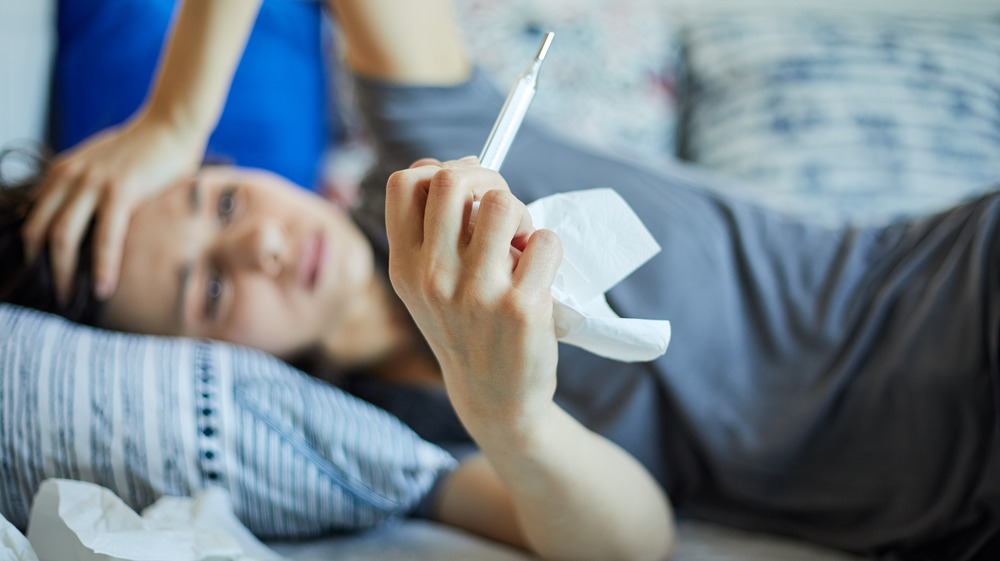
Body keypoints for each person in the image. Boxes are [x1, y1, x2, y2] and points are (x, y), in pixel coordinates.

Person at [2, 1, 998, 560]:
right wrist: (510, 416)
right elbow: (633, 545)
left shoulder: (424, 142)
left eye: (217, 204)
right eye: (208, 292)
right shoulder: (395, 436)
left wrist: (171, 118)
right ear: (209, 360)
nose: (258, 246)